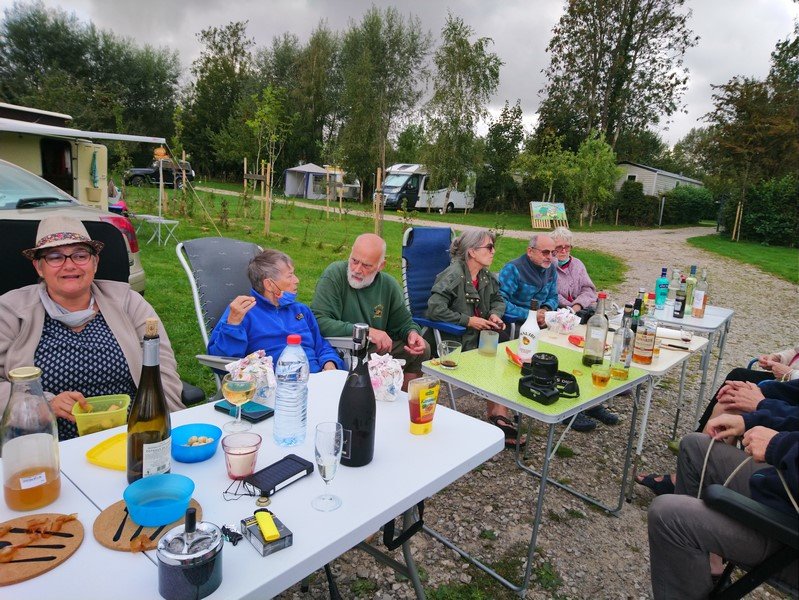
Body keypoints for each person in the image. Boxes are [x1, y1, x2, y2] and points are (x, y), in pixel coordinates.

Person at [0, 216, 184, 441]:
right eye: (55, 257)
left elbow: (162, 368)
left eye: (80, 255)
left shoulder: (128, 302)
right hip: (48, 443)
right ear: (39, 267)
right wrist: (42, 403)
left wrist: (159, 427)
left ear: (95, 263)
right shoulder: (9, 310)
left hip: (130, 436)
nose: (70, 265)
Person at [647, 390, 798, 599]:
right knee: (694, 447)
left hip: (790, 532)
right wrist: (748, 420)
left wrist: (778, 446)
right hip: (783, 487)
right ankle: (709, 569)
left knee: (668, 515)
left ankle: (693, 550)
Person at [426, 229, 524, 447]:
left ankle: (498, 411)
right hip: (456, 342)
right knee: (500, 357)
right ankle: (498, 413)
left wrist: (495, 314)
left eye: (493, 246)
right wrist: (468, 321)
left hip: (480, 337)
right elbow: (433, 310)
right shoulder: (453, 276)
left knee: (508, 351)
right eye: (489, 247)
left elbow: (499, 299)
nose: (493, 251)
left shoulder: (485, 276)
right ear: (471, 252)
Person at [311, 233, 430, 389]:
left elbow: (404, 323)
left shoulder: (388, 285)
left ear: (381, 266)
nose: (357, 269)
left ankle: (404, 401)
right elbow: (318, 321)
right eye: (354, 261)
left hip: (377, 350)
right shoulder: (335, 275)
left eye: (366, 265)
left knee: (421, 349)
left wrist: (412, 333)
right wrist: (365, 332)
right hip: (345, 349)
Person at [207, 249, 344, 372]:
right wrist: (233, 325)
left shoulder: (301, 310)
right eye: (290, 276)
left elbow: (321, 345)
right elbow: (221, 362)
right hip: (277, 388)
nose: (297, 280)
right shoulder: (242, 312)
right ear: (269, 284)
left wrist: (329, 363)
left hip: (317, 380)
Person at [498, 233, 558, 327]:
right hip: (514, 321)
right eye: (545, 252)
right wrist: (530, 315)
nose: (550, 257)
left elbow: (553, 296)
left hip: (542, 320)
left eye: (553, 253)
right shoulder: (513, 269)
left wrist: (545, 310)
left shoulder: (551, 269)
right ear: (530, 251)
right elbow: (499, 301)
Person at [550, 227, 597, 322]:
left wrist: (577, 306)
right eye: (559, 247)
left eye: (567, 247)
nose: (563, 251)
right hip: (555, 313)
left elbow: (588, 290)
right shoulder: (548, 265)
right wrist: (570, 308)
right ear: (552, 248)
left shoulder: (577, 264)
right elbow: (550, 293)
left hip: (579, 311)